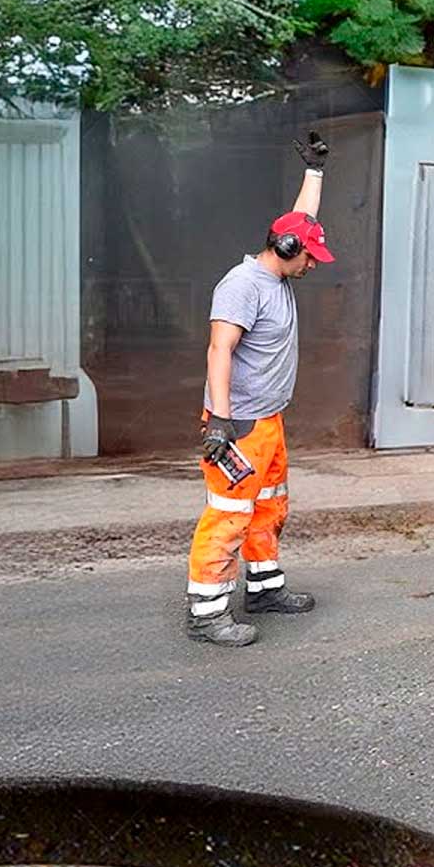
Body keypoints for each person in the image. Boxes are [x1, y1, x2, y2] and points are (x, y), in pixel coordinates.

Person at [184, 132, 335, 646]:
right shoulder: (242, 286)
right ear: (285, 249)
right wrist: (222, 421)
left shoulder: (280, 272)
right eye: (309, 256)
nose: (313, 264)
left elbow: (302, 221)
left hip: (269, 419)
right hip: (240, 424)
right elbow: (219, 350)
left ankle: (265, 588)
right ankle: (207, 613)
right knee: (229, 516)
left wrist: (314, 171)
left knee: (269, 506)